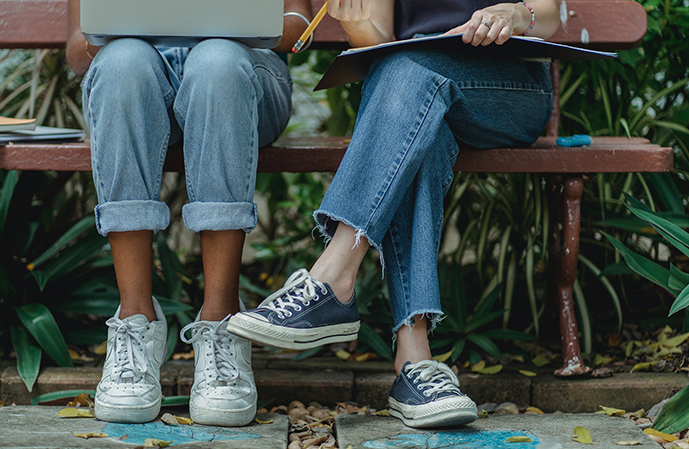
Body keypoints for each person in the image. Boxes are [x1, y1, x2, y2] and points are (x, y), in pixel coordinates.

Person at [228, 0, 560, 428]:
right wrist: (358, 22)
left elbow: (550, 14)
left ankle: (333, 279)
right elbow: (376, 41)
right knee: (419, 114)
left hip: (507, 88)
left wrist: (516, 15)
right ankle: (414, 365)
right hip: (415, 94)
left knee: (406, 71)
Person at [66, 0, 312, 426]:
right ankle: (134, 322)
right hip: (141, 80)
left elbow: (298, 25)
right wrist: (116, 31)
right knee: (122, 62)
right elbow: (76, 50)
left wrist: (237, 25)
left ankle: (223, 324)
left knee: (215, 60)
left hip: (243, 78)